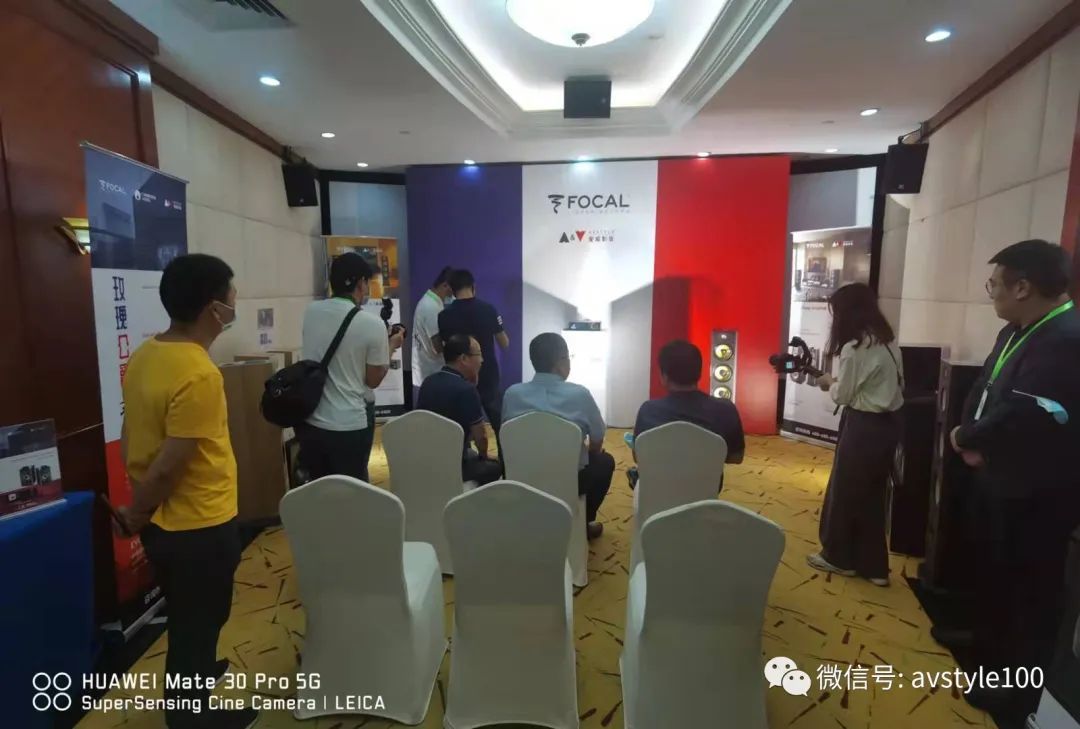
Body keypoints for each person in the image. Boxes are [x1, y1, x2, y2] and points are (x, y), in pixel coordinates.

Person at [116, 254, 256, 729]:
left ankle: (194, 675)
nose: (235, 304)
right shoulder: (199, 373)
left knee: (188, 613)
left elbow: (133, 434)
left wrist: (139, 507)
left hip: (166, 526)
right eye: (232, 296)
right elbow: (170, 464)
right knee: (199, 621)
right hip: (198, 525)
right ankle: (191, 716)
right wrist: (138, 510)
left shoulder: (147, 354)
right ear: (214, 308)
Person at [942, 240, 1080, 717]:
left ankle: (1014, 688)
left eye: (994, 285)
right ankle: (985, 651)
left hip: (1035, 493)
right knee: (994, 575)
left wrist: (968, 436)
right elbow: (987, 387)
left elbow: (1027, 413)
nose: (992, 294)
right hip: (997, 477)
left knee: (1027, 592)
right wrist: (967, 435)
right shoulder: (1018, 330)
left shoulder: (1065, 339)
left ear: (1023, 287)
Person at [806, 282, 903, 587]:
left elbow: (843, 395)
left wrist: (828, 382)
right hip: (888, 426)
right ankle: (874, 566)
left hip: (862, 427)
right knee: (872, 496)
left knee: (845, 492)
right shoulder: (888, 342)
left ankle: (838, 558)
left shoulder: (854, 348)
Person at [297, 253, 404, 482]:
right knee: (353, 491)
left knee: (320, 488)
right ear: (361, 283)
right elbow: (373, 379)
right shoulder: (371, 324)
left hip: (312, 422)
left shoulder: (311, 311)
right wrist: (391, 345)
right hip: (349, 425)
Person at [503, 332, 613, 539]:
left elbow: (507, 436)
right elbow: (598, 439)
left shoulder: (512, 394)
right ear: (561, 362)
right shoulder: (580, 394)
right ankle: (583, 522)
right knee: (605, 462)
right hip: (570, 480)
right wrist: (588, 452)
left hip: (523, 479)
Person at [628, 339, 746, 489]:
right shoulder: (725, 409)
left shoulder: (648, 410)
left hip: (659, 491)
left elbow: (638, 456)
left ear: (664, 376)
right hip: (705, 492)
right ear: (699, 373)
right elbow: (737, 457)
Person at [416, 334, 503, 486]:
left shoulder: (428, 382)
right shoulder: (466, 390)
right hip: (455, 465)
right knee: (495, 467)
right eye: (479, 354)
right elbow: (481, 437)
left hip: (425, 460)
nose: (482, 360)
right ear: (463, 358)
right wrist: (484, 456)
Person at [437, 269, 510, 434]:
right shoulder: (488, 309)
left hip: (459, 377)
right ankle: (504, 451)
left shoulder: (444, 316)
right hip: (487, 373)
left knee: (459, 426)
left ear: (452, 290)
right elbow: (504, 342)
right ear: (473, 286)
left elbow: (444, 348)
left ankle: (465, 451)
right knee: (499, 424)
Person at [412, 266, 454, 405]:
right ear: (445, 285)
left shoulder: (431, 302)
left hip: (426, 373)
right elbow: (437, 346)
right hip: (429, 374)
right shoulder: (431, 307)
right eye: (452, 291)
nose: (452, 295)